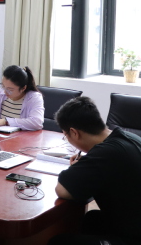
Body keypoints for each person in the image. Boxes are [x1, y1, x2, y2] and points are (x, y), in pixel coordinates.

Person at [48, 96, 141, 245]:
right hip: (132, 222)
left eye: (66, 136)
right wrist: (85, 166)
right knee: (92, 219)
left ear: (74, 132)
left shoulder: (104, 154)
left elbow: (62, 190)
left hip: (133, 237)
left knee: (59, 242)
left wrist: (77, 168)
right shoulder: (128, 137)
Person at [0, 65, 43, 130]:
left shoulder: (34, 98)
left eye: (10, 90)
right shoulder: (0, 91)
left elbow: (37, 122)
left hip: (21, 137)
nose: (5, 92)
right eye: (3, 86)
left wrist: (6, 121)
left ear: (23, 88)